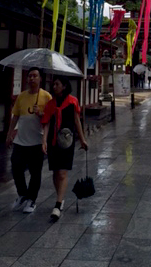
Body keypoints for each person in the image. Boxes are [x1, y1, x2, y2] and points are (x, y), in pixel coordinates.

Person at [6, 67, 52, 214]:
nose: (32, 78)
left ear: (40, 79)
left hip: (37, 141)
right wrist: (9, 134)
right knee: (16, 166)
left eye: (35, 76)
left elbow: (51, 118)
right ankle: (22, 194)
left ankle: (31, 199)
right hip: (20, 140)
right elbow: (15, 116)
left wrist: (41, 113)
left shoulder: (46, 96)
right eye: (30, 76)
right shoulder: (22, 96)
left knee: (35, 171)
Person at [41, 78, 88, 221]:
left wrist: (82, 139)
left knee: (62, 173)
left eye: (57, 84)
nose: (54, 87)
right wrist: (44, 141)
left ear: (64, 86)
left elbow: (76, 121)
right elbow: (47, 123)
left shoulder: (72, 101)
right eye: (53, 84)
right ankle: (59, 197)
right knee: (55, 172)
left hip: (67, 141)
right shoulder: (50, 104)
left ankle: (58, 204)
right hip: (53, 141)